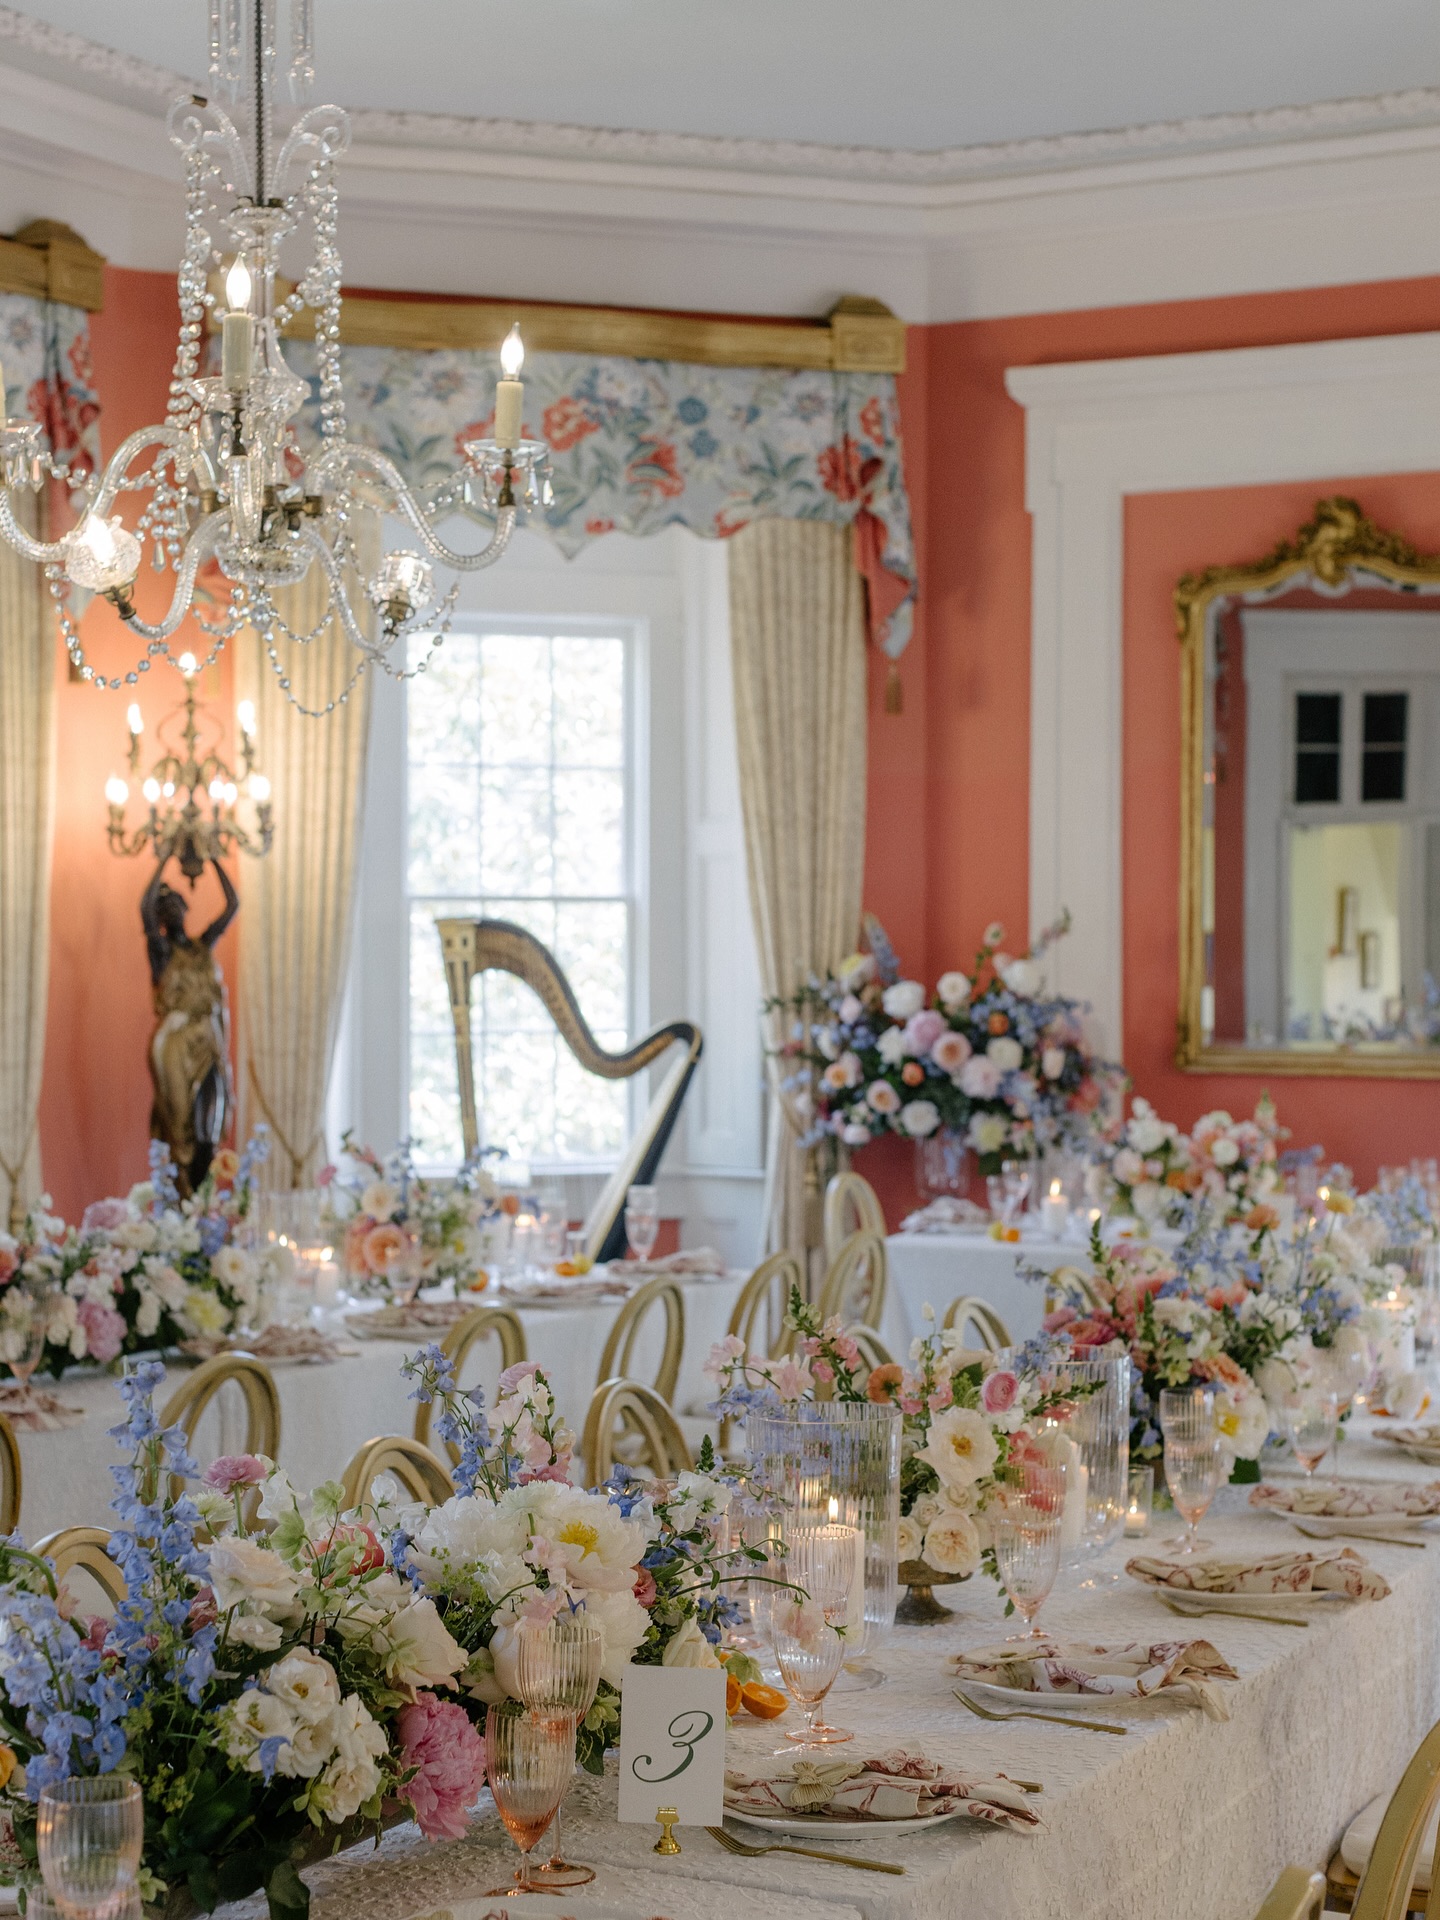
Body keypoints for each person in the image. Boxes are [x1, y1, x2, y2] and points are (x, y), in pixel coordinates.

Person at [141, 854, 238, 1195]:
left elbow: (232, 905)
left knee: (209, 1127)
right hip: (175, 1042)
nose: (173, 912)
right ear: (161, 917)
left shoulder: (202, 947)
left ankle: (203, 1203)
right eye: (165, 909)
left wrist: (211, 854)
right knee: (180, 1126)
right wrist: (166, 852)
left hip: (207, 1039)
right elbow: (143, 909)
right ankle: (182, 1203)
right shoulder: (161, 952)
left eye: (177, 906)